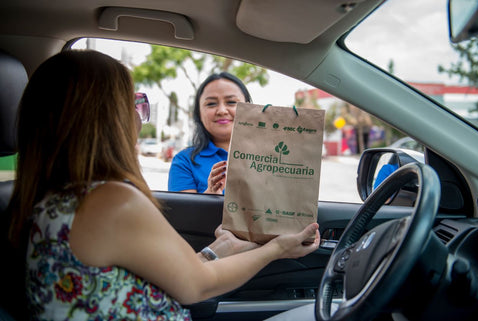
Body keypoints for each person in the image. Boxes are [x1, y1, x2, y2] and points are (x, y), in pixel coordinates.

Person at [7, 50, 320, 320]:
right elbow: (197, 285)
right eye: (134, 102)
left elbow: (165, 274)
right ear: (108, 116)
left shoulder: (56, 199)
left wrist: (220, 249)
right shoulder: (108, 201)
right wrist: (277, 249)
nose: (140, 116)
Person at [168, 72, 252, 194]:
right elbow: (185, 212)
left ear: (249, 108)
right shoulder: (184, 161)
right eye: (211, 104)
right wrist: (210, 194)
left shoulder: (270, 156)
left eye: (231, 102)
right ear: (199, 113)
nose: (222, 111)